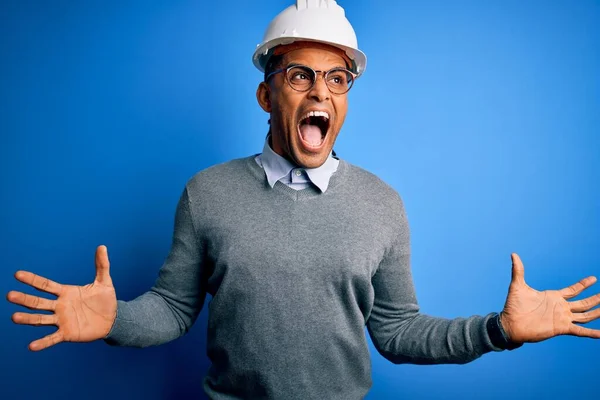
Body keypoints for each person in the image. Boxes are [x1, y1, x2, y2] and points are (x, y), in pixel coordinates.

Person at [7, 1, 600, 399]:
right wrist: (115, 319)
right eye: (300, 76)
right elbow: (172, 309)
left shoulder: (382, 204)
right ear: (267, 94)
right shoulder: (206, 193)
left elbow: (397, 332)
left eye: (337, 79)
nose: (321, 91)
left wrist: (498, 330)